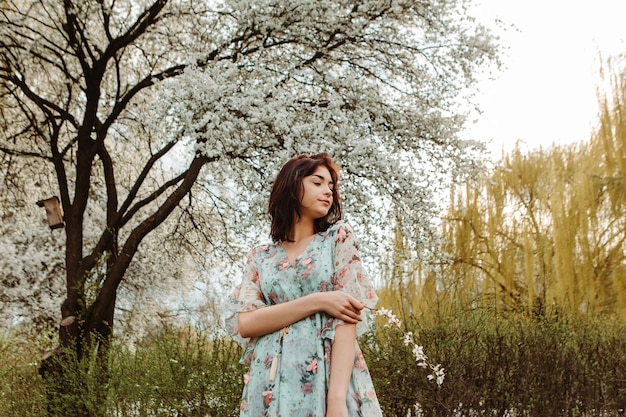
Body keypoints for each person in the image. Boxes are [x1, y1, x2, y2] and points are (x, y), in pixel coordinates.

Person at [225, 153, 383, 417]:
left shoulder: (337, 239)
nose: (328, 192)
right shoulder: (260, 257)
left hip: (327, 378)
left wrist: (336, 401)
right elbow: (247, 323)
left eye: (331, 186)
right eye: (317, 182)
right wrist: (319, 301)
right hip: (270, 382)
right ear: (292, 185)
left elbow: (348, 317)